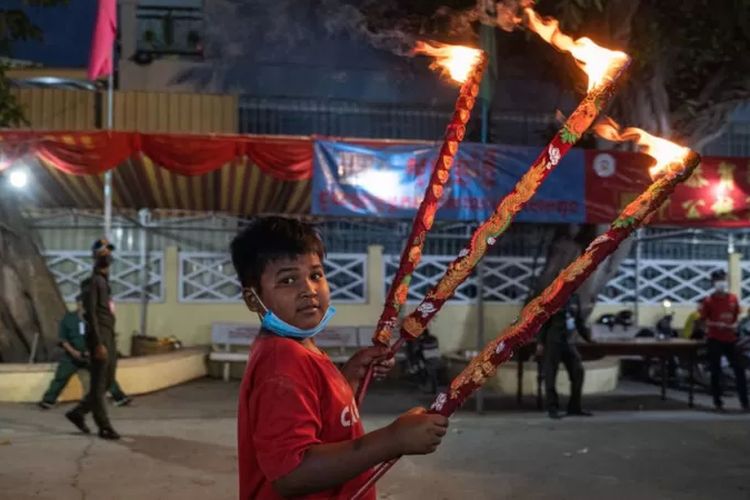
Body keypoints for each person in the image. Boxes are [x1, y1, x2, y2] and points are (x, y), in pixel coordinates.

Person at [232, 217, 448, 499]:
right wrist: (393, 440)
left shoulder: (299, 349)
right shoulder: (282, 362)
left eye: (316, 275)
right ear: (253, 299)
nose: (308, 289)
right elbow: (292, 474)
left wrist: (348, 379)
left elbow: (319, 417)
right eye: (287, 280)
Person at [64, 239, 121, 440]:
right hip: (99, 337)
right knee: (98, 384)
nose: (107, 254)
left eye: (109, 251)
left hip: (109, 335)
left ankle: (78, 413)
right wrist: (97, 343)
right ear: (95, 257)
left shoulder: (105, 281)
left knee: (108, 381)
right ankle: (103, 426)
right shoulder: (92, 282)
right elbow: (90, 314)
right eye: (102, 251)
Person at [38, 295, 132, 409]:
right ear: (78, 304)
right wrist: (73, 352)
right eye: (82, 304)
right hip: (72, 355)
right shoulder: (69, 319)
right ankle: (48, 401)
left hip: (92, 355)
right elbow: (63, 339)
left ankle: (120, 398)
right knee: (61, 377)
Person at [537, 294, 593, 419]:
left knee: (578, 372)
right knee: (551, 375)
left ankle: (574, 407)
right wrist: (540, 343)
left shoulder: (575, 297)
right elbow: (543, 322)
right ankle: (552, 409)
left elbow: (578, 321)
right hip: (553, 342)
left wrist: (588, 338)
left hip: (569, 342)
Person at [699, 269, 749, 411]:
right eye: (718, 280)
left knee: (739, 371)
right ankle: (717, 402)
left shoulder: (733, 299)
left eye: (723, 279)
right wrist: (715, 324)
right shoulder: (708, 301)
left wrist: (735, 325)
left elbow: (737, 317)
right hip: (715, 339)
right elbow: (703, 321)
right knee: (715, 371)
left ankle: (744, 402)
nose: (721, 283)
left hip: (731, 339)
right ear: (713, 283)